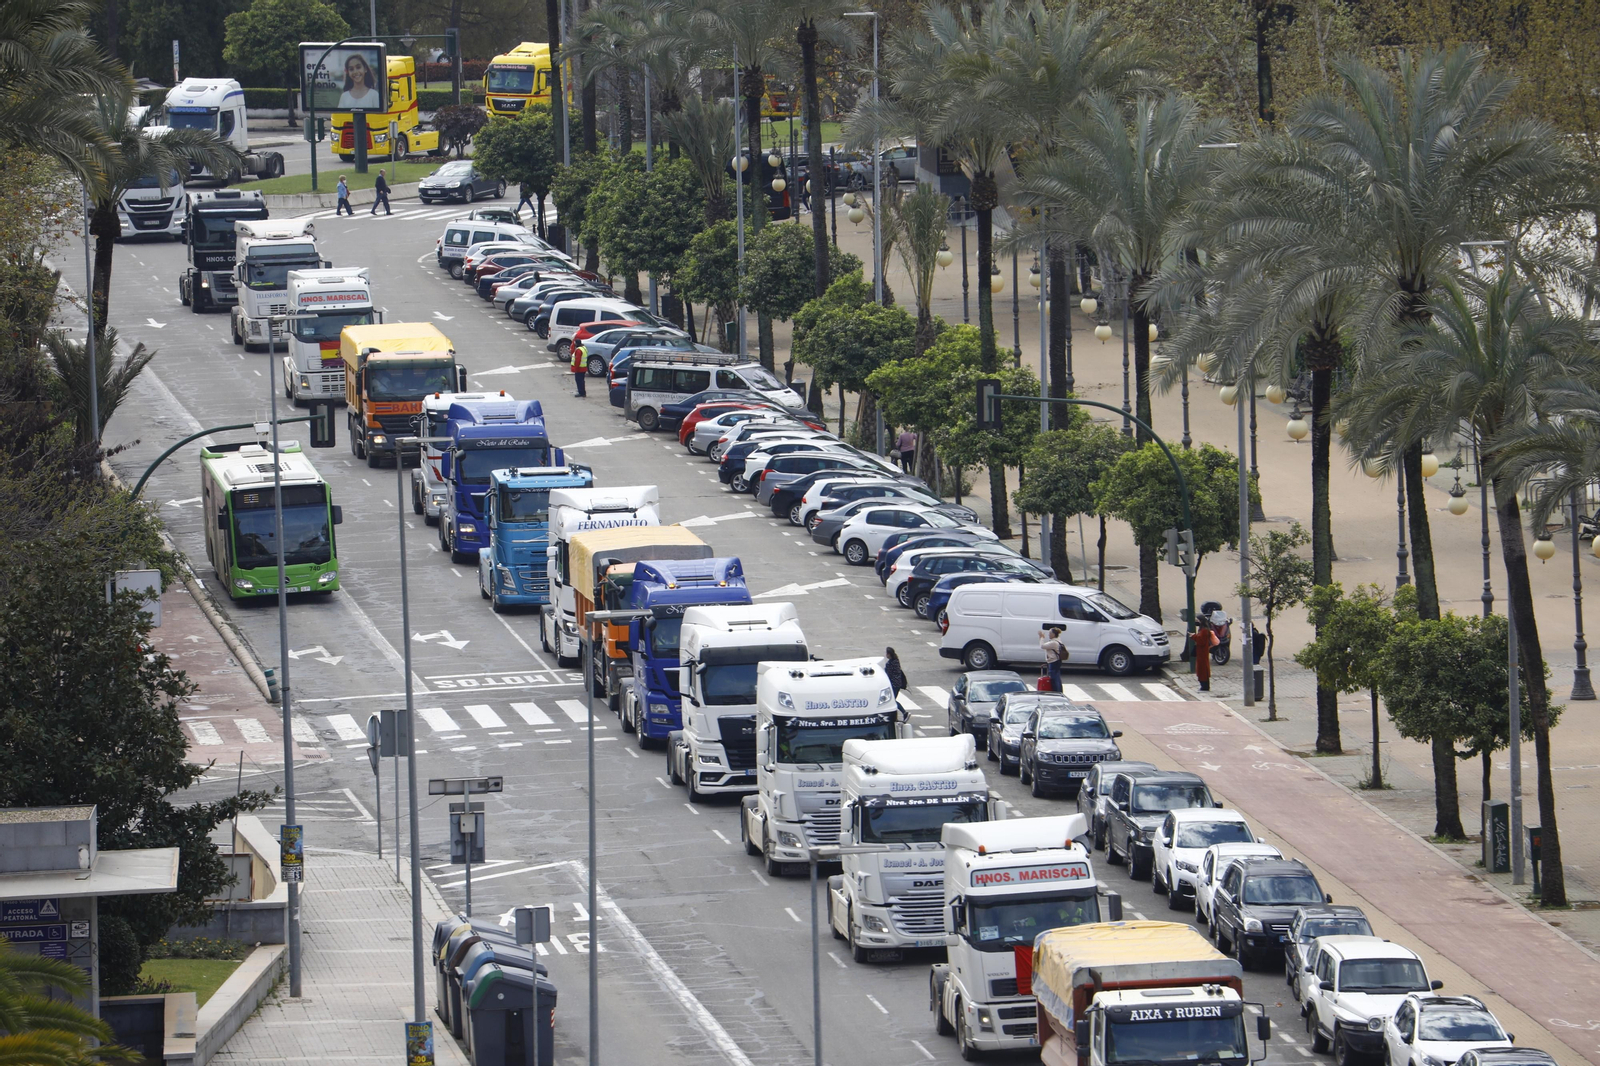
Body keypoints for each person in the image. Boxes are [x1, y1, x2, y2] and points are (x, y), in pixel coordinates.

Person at [1190, 619, 1216, 692]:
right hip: (1201, 652)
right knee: (1202, 669)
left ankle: (1204, 685)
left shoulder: (1204, 631)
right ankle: (1204, 685)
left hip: (1202, 652)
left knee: (1202, 669)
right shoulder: (1204, 630)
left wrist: (1193, 636)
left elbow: (1201, 641)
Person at [1039, 626, 1067, 693]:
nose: (1049, 634)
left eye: (1050, 633)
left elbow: (1042, 646)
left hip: (1053, 662)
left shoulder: (1054, 643)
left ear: (1054, 634)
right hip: (1056, 661)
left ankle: (1057, 692)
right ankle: (1059, 691)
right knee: (1057, 677)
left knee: (1054, 678)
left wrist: (1041, 638)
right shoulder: (1058, 640)